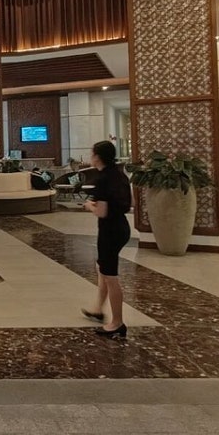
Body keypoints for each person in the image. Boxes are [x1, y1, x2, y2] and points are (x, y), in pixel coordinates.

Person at [81, 140, 132, 339]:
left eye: (92, 153)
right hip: (122, 227)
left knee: (110, 276)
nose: (90, 156)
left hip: (109, 231)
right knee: (101, 268)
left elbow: (102, 212)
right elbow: (129, 202)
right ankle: (97, 309)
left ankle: (117, 322)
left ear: (98, 157)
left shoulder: (102, 179)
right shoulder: (120, 175)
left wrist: (88, 206)